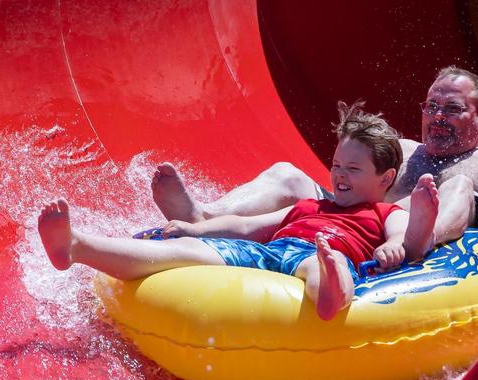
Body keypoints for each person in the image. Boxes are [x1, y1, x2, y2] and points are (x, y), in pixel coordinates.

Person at [38, 102, 437, 321]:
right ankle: (77, 246)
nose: (339, 175)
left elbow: (404, 236)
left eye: (353, 169)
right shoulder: (309, 205)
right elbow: (248, 225)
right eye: (335, 165)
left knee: (321, 265)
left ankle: (332, 294)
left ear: (385, 178)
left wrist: (394, 248)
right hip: (270, 253)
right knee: (184, 254)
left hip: (322, 255)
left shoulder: (383, 213)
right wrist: (196, 232)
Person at [150, 66, 478, 249]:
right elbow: (349, 164)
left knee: (457, 184)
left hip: (403, 238)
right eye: (431, 107)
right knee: (288, 173)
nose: (437, 118)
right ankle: (204, 215)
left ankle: (421, 239)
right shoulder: (404, 148)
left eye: (451, 109)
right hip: (353, 224)